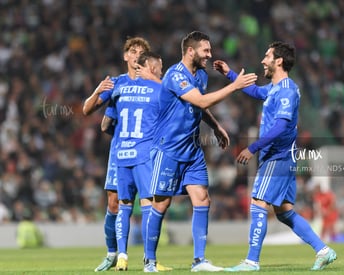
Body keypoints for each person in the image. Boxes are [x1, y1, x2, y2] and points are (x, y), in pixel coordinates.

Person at [213, 41, 337, 271]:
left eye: (267, 56)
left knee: (258, 203)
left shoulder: (287, 91)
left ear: (278, 61)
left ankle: (251, 261)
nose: (262, 60)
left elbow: (281, 126)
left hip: (277, 157)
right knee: (284, 212)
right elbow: (257, 91)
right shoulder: (275, 88)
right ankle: (324, 250)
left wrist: (252, 148)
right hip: (282, 157)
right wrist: (229, 74)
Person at [143, 31, 257, 273]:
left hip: (192, 149)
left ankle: (199, 260)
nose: (210, 54)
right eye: (206, 50)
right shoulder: (175, 75)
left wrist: (215, 126)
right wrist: (235, 86)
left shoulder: (202, 75)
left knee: (202, 198)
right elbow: (201, 101)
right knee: (161, 204)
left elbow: (199, 106)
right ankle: (149, 261)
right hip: (168, 148)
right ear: (191, 51)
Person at [82, 36, 168, 272]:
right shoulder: (116, 83)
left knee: (145, 201)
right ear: (125, 56)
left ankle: (148, 258)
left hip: (144, 151)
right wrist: (98, 90)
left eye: (141, 51)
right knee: (113, 203)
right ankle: (113, 253)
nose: (136, 54)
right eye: (132, 50)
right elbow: (88, 111)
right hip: (120, 151)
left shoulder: (154, 84)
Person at [107, 51, 167, 271]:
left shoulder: (120, 88)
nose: (163, 71)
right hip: (144, 155)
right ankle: (149, 260)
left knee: (124, 206)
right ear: (151, 68)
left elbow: (106, 124)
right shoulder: (159, 89)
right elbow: (180, 102)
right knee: (149, 205)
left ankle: (122, 256)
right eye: (160, 67)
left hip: (121, 154)